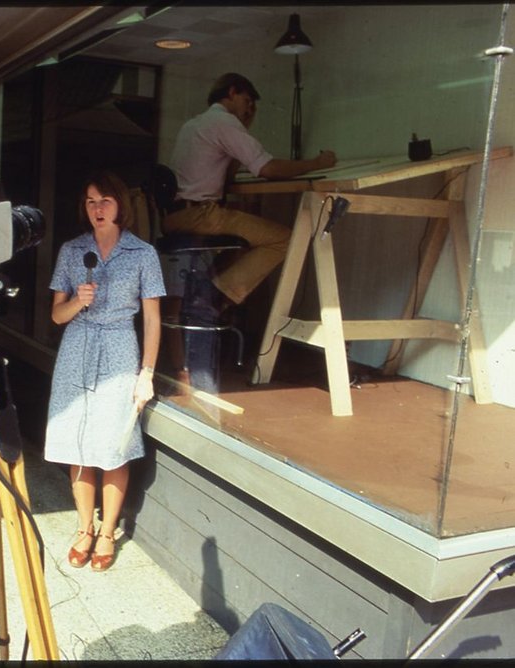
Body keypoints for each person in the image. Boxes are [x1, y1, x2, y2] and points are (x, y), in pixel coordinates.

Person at [44, 170, 165, 572]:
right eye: (91, 201)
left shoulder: (143, 253)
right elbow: (57, 317)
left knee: (113, 446)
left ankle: (108, 530)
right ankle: (84, 527)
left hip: (118, 348)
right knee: (78, 443)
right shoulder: (71, 250)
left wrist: (146, 372)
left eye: (105, 201)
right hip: (77, 346)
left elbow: (151, 318)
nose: (97, 208)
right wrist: (78, 301)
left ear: (120, 206)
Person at [164, 72, 337, 320]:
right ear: (232, 92)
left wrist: (243, 128)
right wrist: (317, 162)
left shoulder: (193, 124)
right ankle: (211, 298)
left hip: (177, 216)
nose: (249, 109)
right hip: (202, 215)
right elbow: (268, 169)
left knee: (246, 244)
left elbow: (230, 172)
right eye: (247, 102)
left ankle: (207, 290)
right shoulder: (223, 122)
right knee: (286, 239)